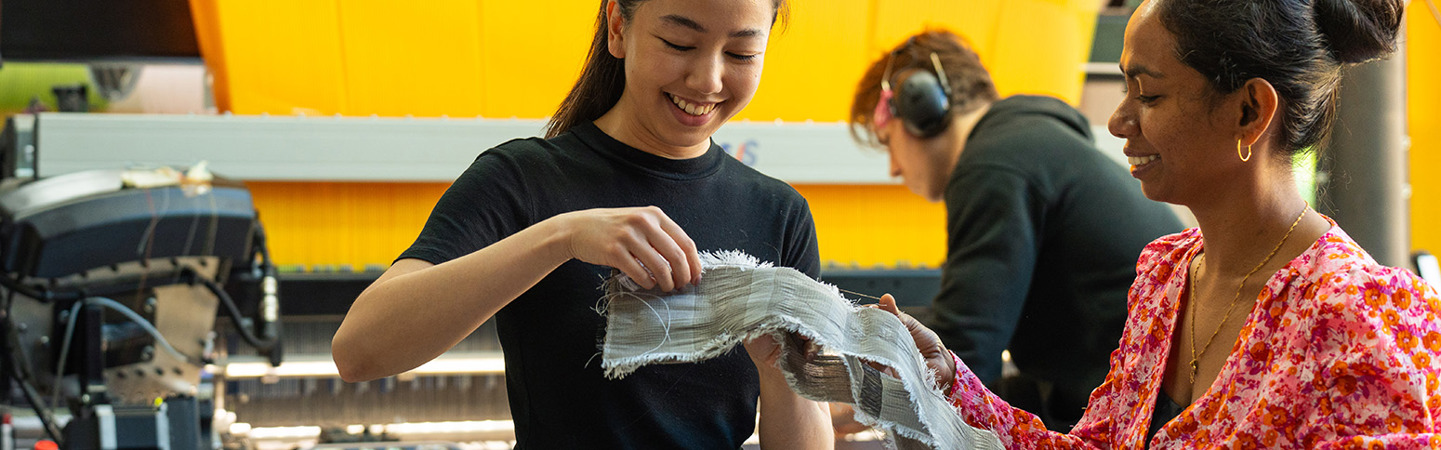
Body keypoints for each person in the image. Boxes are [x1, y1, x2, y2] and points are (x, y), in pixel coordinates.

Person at [815, 0, 1441, 447]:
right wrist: (948, 379)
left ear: (1249, 110)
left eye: (1149, 94)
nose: (1117, 122)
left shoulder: (1361, 317)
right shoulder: (1166, 276)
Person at [331, 0, 832, 448]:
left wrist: (780, 366)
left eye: (742, 54)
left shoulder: (780, 213)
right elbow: (360, 351)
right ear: (618, 26)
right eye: (680, 43)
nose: (708, 80)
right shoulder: (523, 180)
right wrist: (562, 237)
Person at [842, 29, 1183, 431]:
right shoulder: (1028, 145)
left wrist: (849, 405)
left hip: (1140, 418)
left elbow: (964, 351)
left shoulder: (993, 166)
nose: (894, 169)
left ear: (921, 106)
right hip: (1132, 398)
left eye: (888, 143)